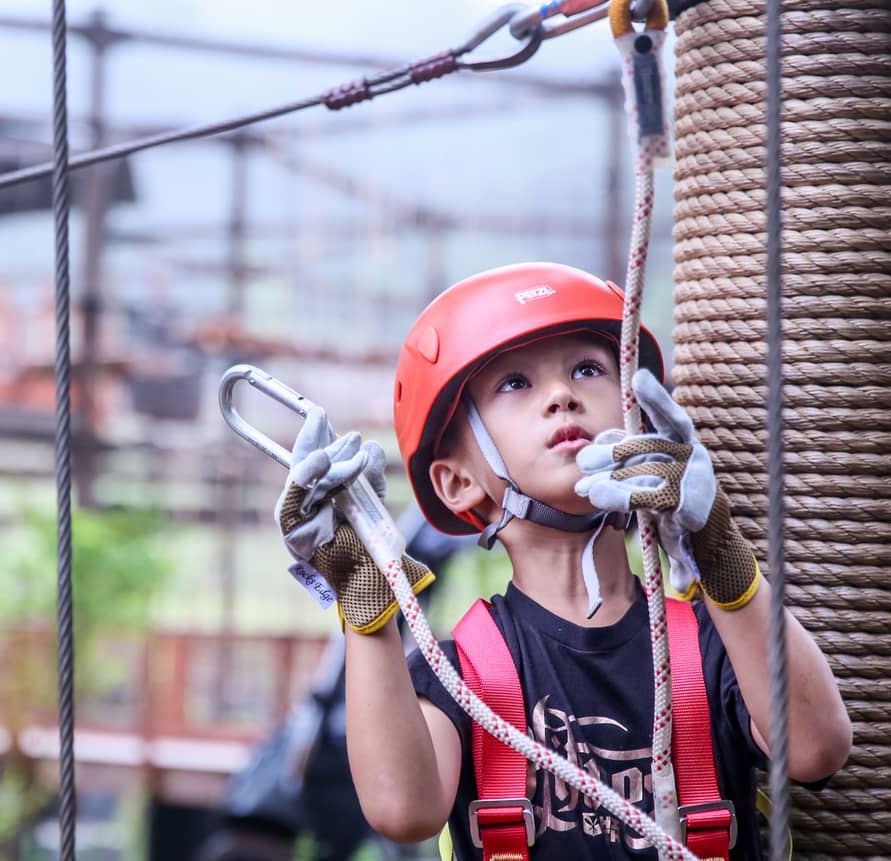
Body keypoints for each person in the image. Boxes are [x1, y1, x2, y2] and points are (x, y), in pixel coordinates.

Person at [274, 262, 851, 859]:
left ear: (638, 423)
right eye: (515, 383)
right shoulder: (462, 675)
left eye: (587, 368)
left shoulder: (710, 647)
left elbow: (815, 748)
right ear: (456, 483)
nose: (561, 395)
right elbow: (403, 809)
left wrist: (718, 549)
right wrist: (364, 595)